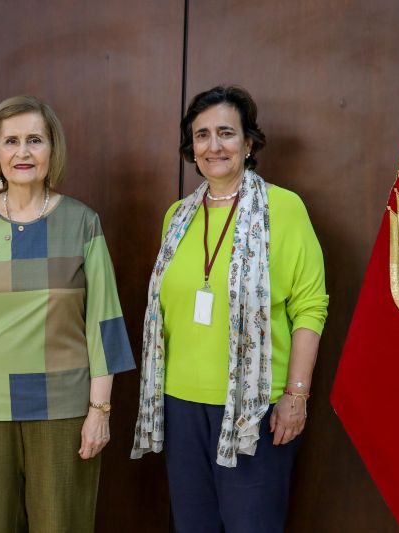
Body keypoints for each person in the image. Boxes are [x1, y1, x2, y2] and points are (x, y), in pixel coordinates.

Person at [0, 95, 135, 533]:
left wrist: (100, 410)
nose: (23, 152)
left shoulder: (82, 223)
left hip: (65, 407)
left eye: (35, 139)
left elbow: (103, 322)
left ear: (53, 149)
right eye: (10, 141)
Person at [131, 85, 329, 532]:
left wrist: (295, 396)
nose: (213, 146)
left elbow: (310, 306)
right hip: (181, 405)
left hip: (253, 409)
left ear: (249, 142)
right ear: (191, 147)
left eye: (225, 132)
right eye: (202, 135)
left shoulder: (284, 208)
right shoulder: (177, 216)